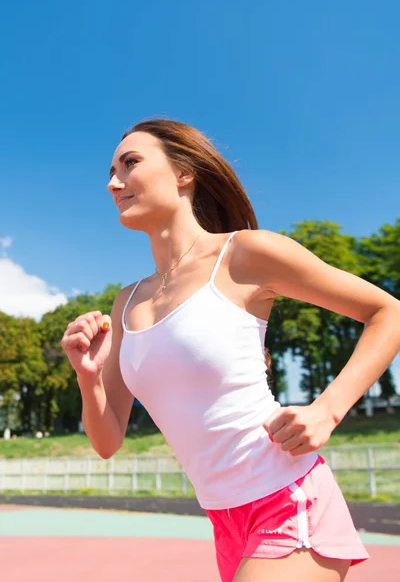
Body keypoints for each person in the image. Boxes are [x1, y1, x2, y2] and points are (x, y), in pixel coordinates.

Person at [61, 119, 400, 582]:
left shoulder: (243, 255)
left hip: (288, 497)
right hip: (225, 523)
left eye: (130, 163)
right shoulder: (127, 301)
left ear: (183, 172)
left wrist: (327, 410)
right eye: (111, 170)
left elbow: (388, 312)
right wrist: (87, 374)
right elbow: (107, 441)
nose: (112, 182)